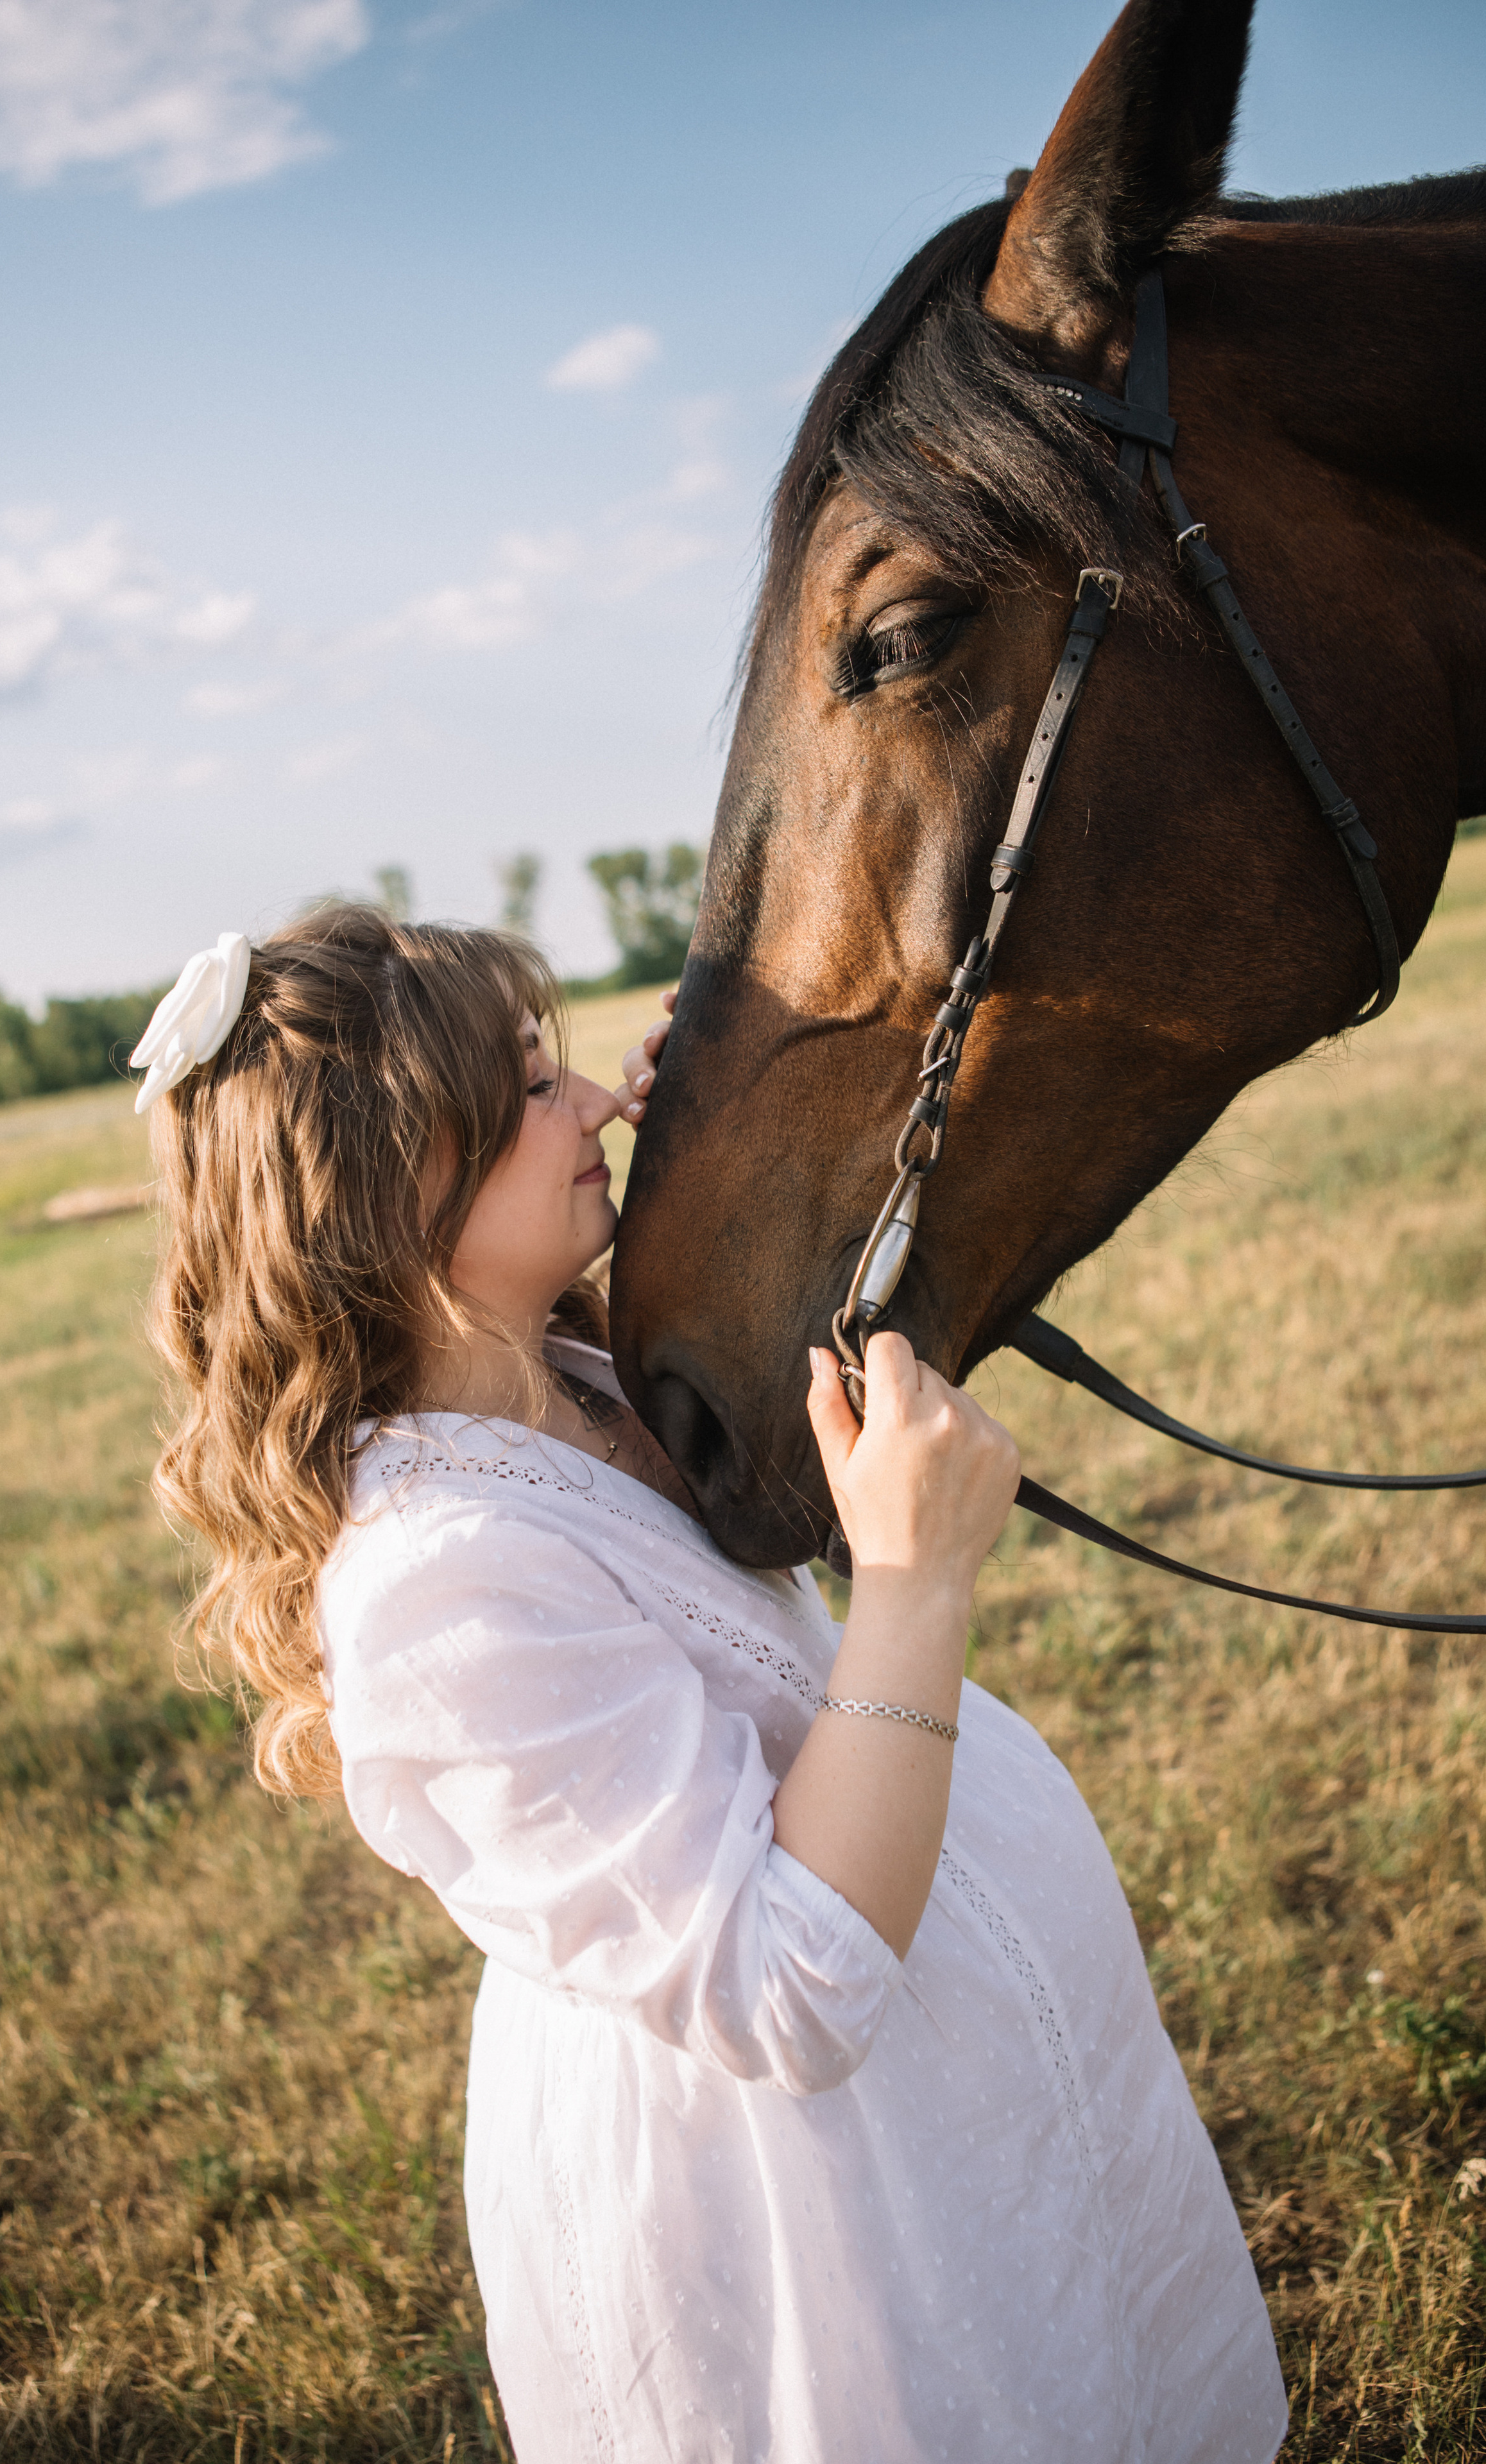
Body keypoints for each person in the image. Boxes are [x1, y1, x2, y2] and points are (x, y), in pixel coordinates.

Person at [139, 903, 1287, 2464]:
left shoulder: (565, 1378)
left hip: (936, 2117)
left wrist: (718, 1140)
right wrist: (911, 1583)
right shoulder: (430, 1581)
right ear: (394, 1175)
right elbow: (782, 1985)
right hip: (812, 2208)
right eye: (534, 1085)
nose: (601, 1101)